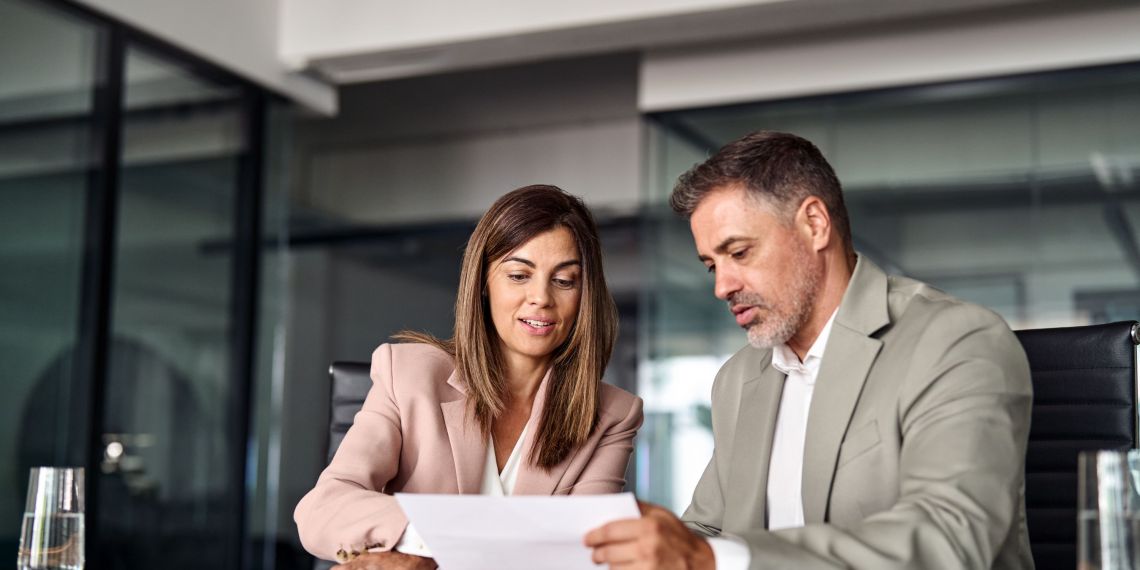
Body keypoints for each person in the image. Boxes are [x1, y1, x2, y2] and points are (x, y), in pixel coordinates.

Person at [585, 131, 1034, 569]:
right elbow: (709, 530)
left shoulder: (955, 340)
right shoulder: (739, 378)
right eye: (711, 266)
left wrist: (710, 559)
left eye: (739, 252)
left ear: (814, 224)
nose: (723, 286)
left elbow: (949, 537)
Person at [296, 185, 644, 569]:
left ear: (585, 294)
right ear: (483, 282)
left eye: (564, 281)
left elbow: (585, 555)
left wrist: (434, 554)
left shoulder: (613, 415)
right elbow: (322, 508)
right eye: (518, 275)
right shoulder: (408, 374)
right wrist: (421, 545)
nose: (541, 297)